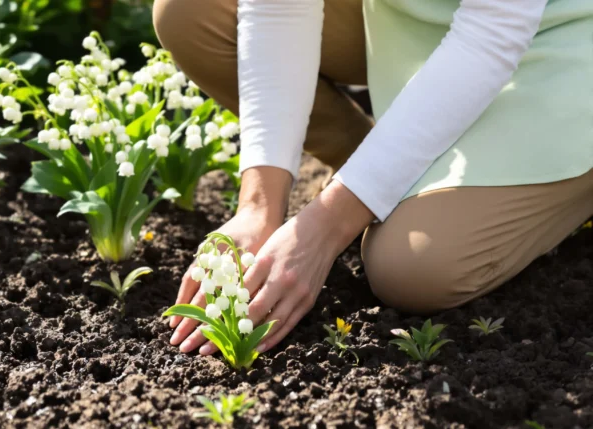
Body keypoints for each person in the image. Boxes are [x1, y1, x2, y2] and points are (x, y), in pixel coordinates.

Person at [152, 0, 593, 356]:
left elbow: (491, 34)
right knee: (193, 11)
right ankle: (389, 172)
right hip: (414, 22)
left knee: (413, 267)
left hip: (562, 47)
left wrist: (326, 227)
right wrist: (258, 206)